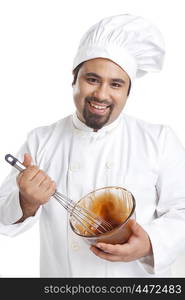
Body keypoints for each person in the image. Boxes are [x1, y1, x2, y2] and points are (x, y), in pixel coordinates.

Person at [0, 13, 185, 278]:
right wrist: (26, 202)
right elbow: (2, 217)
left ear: (128, 91)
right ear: (74, 78)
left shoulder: (159, 140)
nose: (101, 94)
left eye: (116, 84)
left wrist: (149, 244)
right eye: (92, 79)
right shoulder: (41, 140)